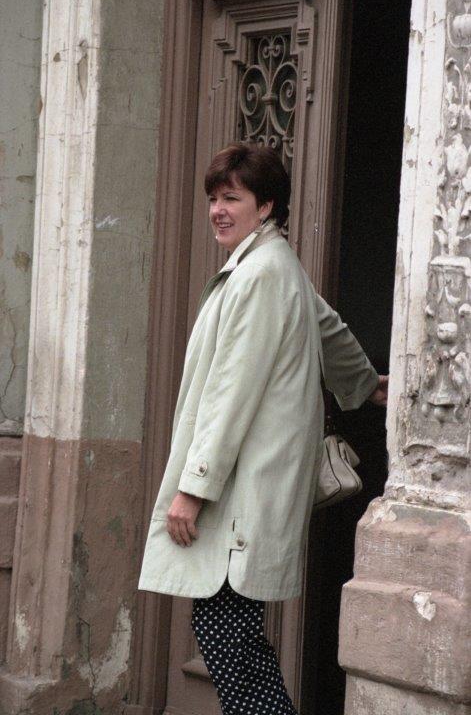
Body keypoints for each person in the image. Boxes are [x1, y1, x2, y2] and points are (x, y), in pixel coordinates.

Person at [138, 142, 388, 714]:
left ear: (267, 205)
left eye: (232, 198)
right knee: (233, 638)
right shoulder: (275, 267)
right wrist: (365, 384)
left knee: (228, 638)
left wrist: (192, 488)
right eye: (213, 199)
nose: (217, 211)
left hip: (240, 496)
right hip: (250, 490)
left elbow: (231, 392)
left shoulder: (260, 274)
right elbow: (328, 326)